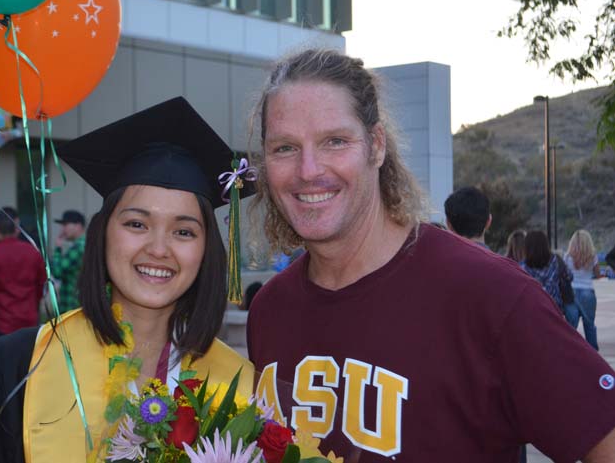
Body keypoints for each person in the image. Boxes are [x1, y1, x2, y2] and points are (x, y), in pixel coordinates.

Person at [246, 48, 615, 462]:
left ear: (377, 146)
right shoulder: (270, 310)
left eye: (335, 141)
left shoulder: (490, 295)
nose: (308, 169)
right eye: (284, 148)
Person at [0, 97, 254, 463]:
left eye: (184, 232)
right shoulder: (17, 365)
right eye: (136, 224)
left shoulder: (238, 385)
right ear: (103, 234)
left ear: (208, 251)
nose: (159, 249)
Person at [0, 207, 47, 337]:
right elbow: (42, 284)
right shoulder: (33, 253)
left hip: (0, 321)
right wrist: (34, 305)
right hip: (29, 319)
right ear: (17, 229)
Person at [564, 229, 602, 350]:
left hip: (571, 292)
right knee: (589, 325)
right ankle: (593, 355)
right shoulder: (592, 257)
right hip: (587, 292)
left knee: (571, 326)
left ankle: (569, 351)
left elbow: (565, 274)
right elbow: (597, 274)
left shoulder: (567, 256)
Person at [521, 230, 573, 312]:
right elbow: (569, 276)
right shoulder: (556, 260)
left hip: (531, 308)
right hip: (554, 307)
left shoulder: (522, 266)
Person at [51, 210, 86, 314]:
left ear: (78, 225)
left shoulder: (79, 247)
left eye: (65, 224)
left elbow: (57, 272)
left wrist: (57, 249)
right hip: (80, 305)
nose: (63, 229)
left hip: (72, 306)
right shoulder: (87, 243)